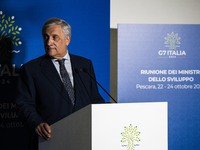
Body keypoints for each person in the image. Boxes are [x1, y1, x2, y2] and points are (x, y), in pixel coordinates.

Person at [16, 17, 105, 150]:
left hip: (84, 137)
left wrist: (106, 112)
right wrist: (37, 123)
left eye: (54, 37)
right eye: (46, 37)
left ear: (67, 39)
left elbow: (94, 98)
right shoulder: (31, 69)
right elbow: (24, 103)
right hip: (50, 139)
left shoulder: (84, 64)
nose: (49, 42)